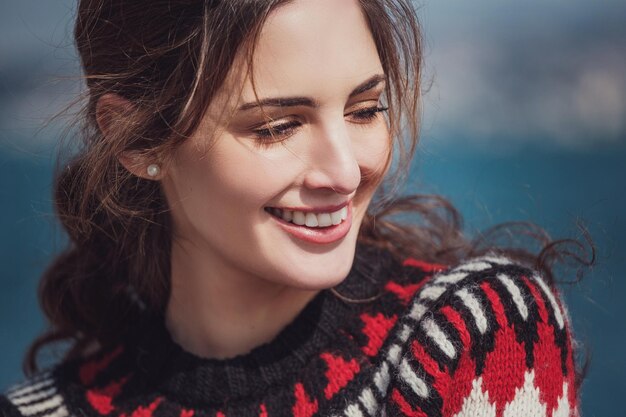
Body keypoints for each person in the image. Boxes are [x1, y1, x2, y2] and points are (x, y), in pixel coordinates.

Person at [1, 0, 584, 416]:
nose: (345, 172)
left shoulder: (477, 336)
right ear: (136, 140)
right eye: (278, 127)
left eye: (364, 110)